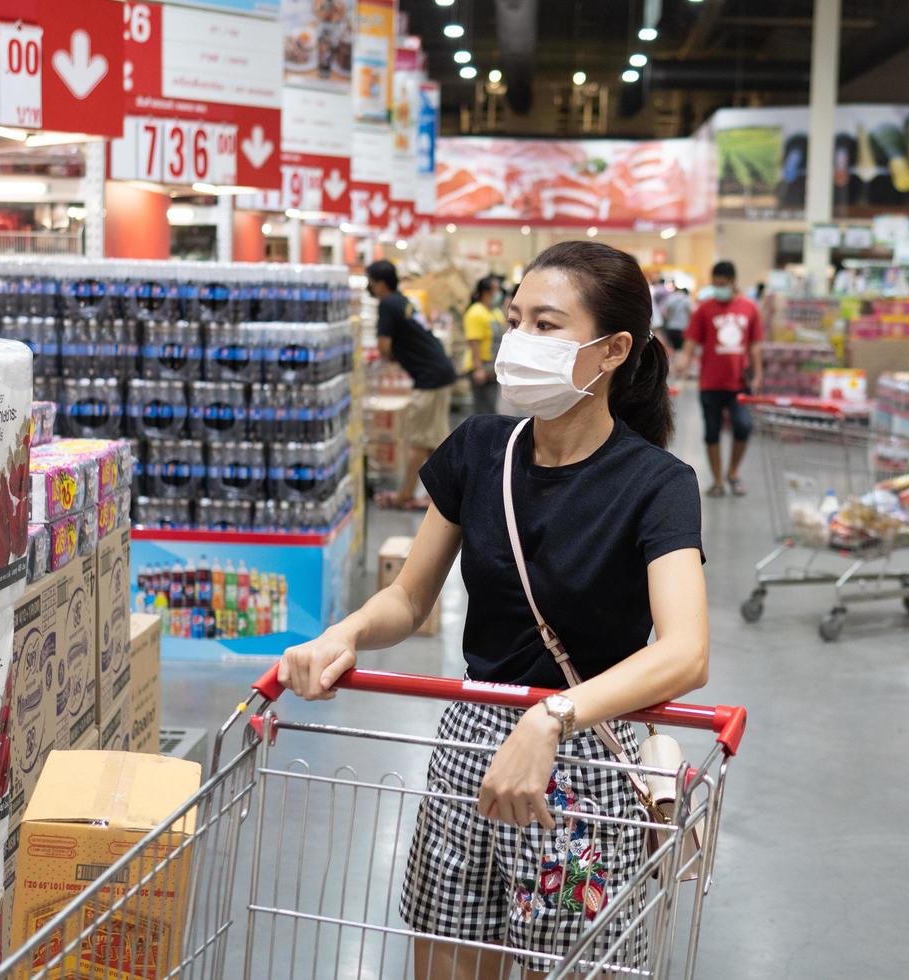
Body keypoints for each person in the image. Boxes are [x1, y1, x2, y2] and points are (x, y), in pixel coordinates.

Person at [281, 241, 709, 979]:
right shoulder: (480, 450)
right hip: (470, 744)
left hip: (582, 748)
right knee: (446, 960)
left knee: (573, 962)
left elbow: (684, 653)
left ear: (611, 350)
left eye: (547, 325)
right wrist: (343, 633)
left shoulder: (656, 485)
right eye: (515, 320)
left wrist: (550, 717)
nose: (519, 343)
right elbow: (408, 598)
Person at [366, 260, 457, 510]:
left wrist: (389, 358)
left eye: (371, 282)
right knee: (433, 440)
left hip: (429, 378)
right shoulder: (403, 300)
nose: (369, 288)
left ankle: (404, 495)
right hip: (440, 371)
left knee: (418, 440)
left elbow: (384, 347)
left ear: (380, 283)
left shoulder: (386, 304)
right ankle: (443, 495)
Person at [676, 260, 763, 498]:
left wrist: (758, 375)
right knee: (711, 432)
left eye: (722, 284)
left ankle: (733, 472)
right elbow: (692, 341)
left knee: (743, 426)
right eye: (715, 284)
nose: (718, 288)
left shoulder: (749, 308)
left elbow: (755, 346)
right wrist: (683, 359)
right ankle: (716, 480)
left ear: (733, 282)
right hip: (710, 383)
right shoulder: (704, 309)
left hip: (739, 383)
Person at [463, 275, 504, 414]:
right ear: (486, 292)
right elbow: (474, 342)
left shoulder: (495, 311)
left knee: (491, 408)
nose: (499, 293)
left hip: (492, 367)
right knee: (483, 410)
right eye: (496, 289)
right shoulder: (476, 312)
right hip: (481, 365)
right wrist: (478, 369)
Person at [660, 285, 693, 351]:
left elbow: (664, 313)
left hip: (670, 327)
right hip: (682, 328)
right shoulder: (687, 300)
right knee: (680, 350)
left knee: (672, 349)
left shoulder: (670, 298)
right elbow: (691, 313)